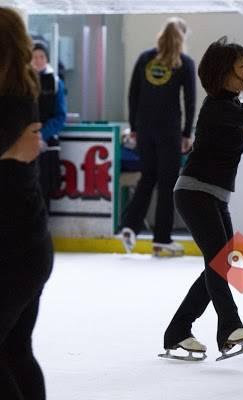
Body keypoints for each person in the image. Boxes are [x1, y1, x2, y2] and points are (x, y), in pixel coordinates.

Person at [161, 37, 243, 360]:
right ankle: (229, 325)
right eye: (242, 66)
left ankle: (178, 330)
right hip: (194, 193)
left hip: (214, 198)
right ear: (223, 73)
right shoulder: (218, 107)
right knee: (222, 261)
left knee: (227, 263)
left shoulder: (232, 109)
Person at [0, 7, 54, 399]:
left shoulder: (12, 99)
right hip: (24, 245)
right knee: (15, 348)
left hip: (16, 250)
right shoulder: (18, 93)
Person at [119, 17, 196, 257]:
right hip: (169, 131)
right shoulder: (185, 63)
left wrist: (133, 126)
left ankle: (130, 225)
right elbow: (190, 100)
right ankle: (161, 239)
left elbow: (133, 94)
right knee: (167, 184)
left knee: (147, 178)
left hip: (144, 130)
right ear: (183, 37)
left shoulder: (144, 58)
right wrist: (187, 132)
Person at [31, 40, 67, 210]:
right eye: (34, 57)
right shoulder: (22, 82)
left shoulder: (55, 83)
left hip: (46, 144)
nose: (38, 60)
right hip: (25, 143)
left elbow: (60, 116)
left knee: (45, 190)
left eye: (41, 56)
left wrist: (41, 135)